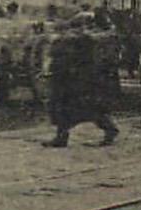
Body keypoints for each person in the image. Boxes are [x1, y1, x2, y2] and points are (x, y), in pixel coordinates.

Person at [44, 12, 118, 148]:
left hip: (73, 78)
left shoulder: (73, 39)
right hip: (76, 77)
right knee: (76, 107)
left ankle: (109, 129)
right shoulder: (85, 38)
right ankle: (108, 129)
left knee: (72, 106)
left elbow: (58, 54)